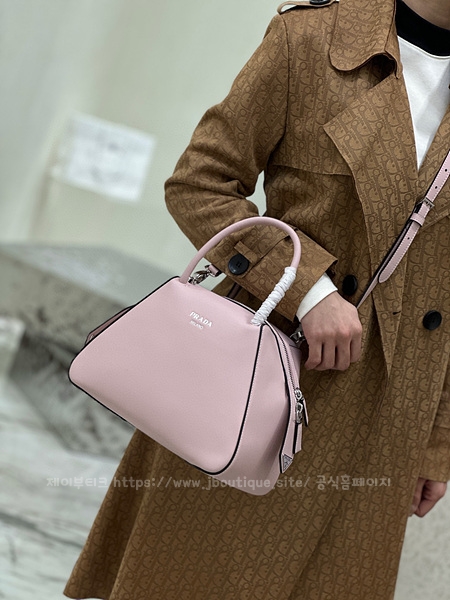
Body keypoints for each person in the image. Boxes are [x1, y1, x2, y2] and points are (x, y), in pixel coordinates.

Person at [64, 0, 450, 598]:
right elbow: (201, 182)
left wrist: (437, 444)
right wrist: (308, 289)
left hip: (390, 420)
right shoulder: (313, 40)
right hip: (263, 385)